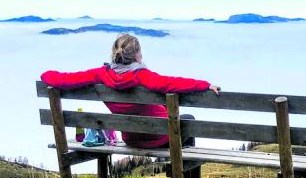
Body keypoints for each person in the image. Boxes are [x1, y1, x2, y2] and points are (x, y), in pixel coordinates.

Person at [40, 33, 220, 148]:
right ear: (137, 55)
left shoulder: (101, 74)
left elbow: (64, 79)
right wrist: (205, 85)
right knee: (188, 121)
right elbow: (173, 83)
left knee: (181, 122)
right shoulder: (142, 76)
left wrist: (46, 75)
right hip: (158, 137)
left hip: (130, 138)